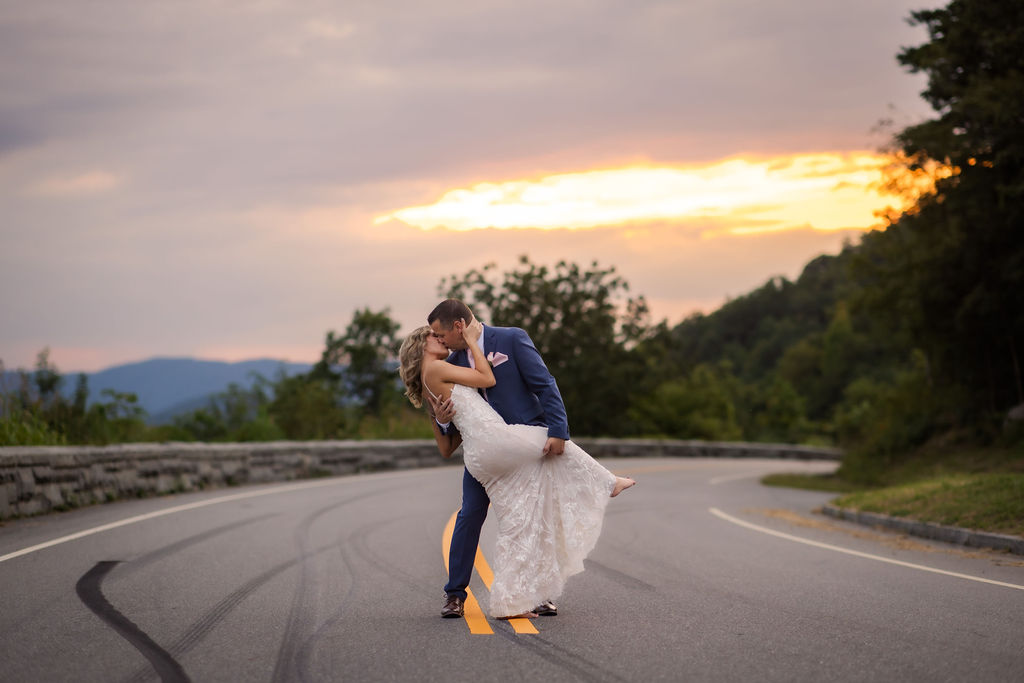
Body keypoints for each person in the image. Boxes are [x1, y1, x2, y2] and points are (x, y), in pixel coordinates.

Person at [398, 300, 635, 619]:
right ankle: (454, 594)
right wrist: (442, 420)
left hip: (525, 443)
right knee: (469, 515)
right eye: (434, 337)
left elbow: (545, 384)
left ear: (458, 326)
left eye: (441, 334)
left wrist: (558, 430)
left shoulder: (510, 339)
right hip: (489, 451)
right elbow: (447, 444)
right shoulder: (447, 362)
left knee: (537, 518)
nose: (439, 340)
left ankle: (539, 594)